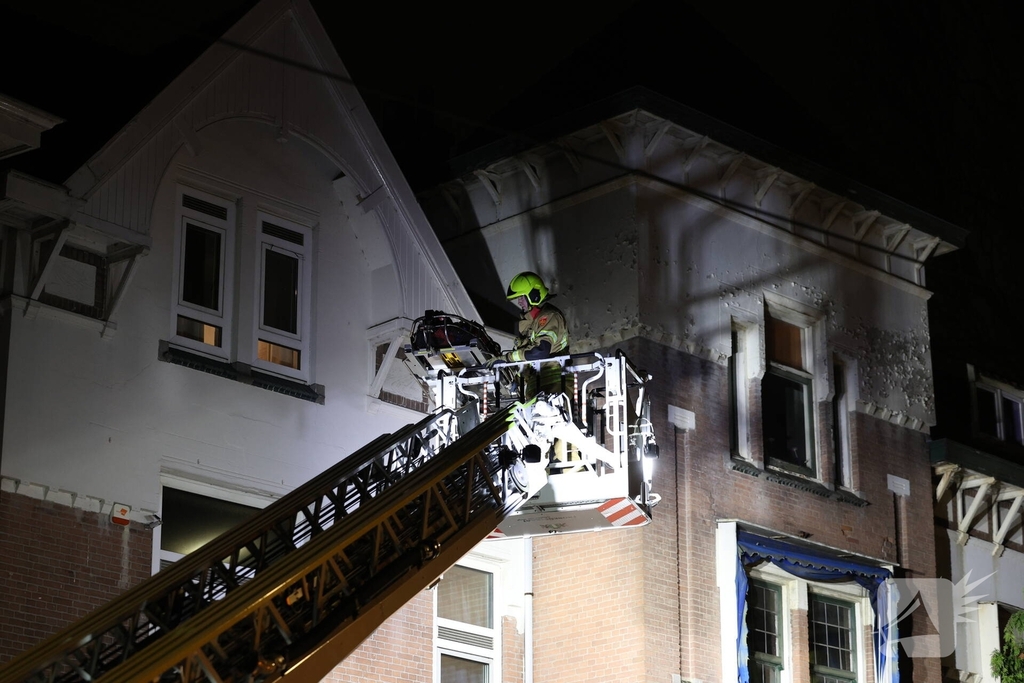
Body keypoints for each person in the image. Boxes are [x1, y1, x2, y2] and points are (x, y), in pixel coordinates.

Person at [490, 271, 569, 397]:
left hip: (555, 382)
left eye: (521, 297)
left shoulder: (549, 317)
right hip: (537, 384)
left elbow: (540, 352)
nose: (519, 302)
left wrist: (507, 358)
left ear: (534, 295)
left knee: (544, 409)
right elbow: (528, 358)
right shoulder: (531, 324)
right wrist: (517, 379)